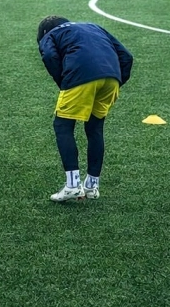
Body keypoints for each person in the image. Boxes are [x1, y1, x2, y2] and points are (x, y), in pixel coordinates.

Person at [37, 15, 133, 202]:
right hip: (112, 78)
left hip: (80, 76)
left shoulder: (51, 34)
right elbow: (127, 56)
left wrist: (64, 83)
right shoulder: (93, 26)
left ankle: (73, 186)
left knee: (63, 126)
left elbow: (49, 55)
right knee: (95, 128)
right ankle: (92, 186)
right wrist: (116, 81)